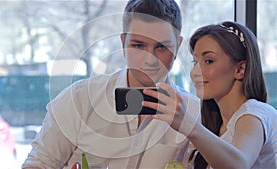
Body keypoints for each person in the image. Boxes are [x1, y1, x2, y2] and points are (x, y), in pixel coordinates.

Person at [22, 0, 200, 168]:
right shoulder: (79, 99)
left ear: (178, 45)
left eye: (161, 47)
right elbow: (38, 163)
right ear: (123, 43)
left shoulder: (194, 112)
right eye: (138, 46)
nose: (150, 60)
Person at [142, 21, 277, 168]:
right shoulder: (215, 125)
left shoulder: (255, 113)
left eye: (209, 61)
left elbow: (239, 164)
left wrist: (190, 127)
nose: (195, 73)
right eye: (195, 62)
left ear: (240, 69)